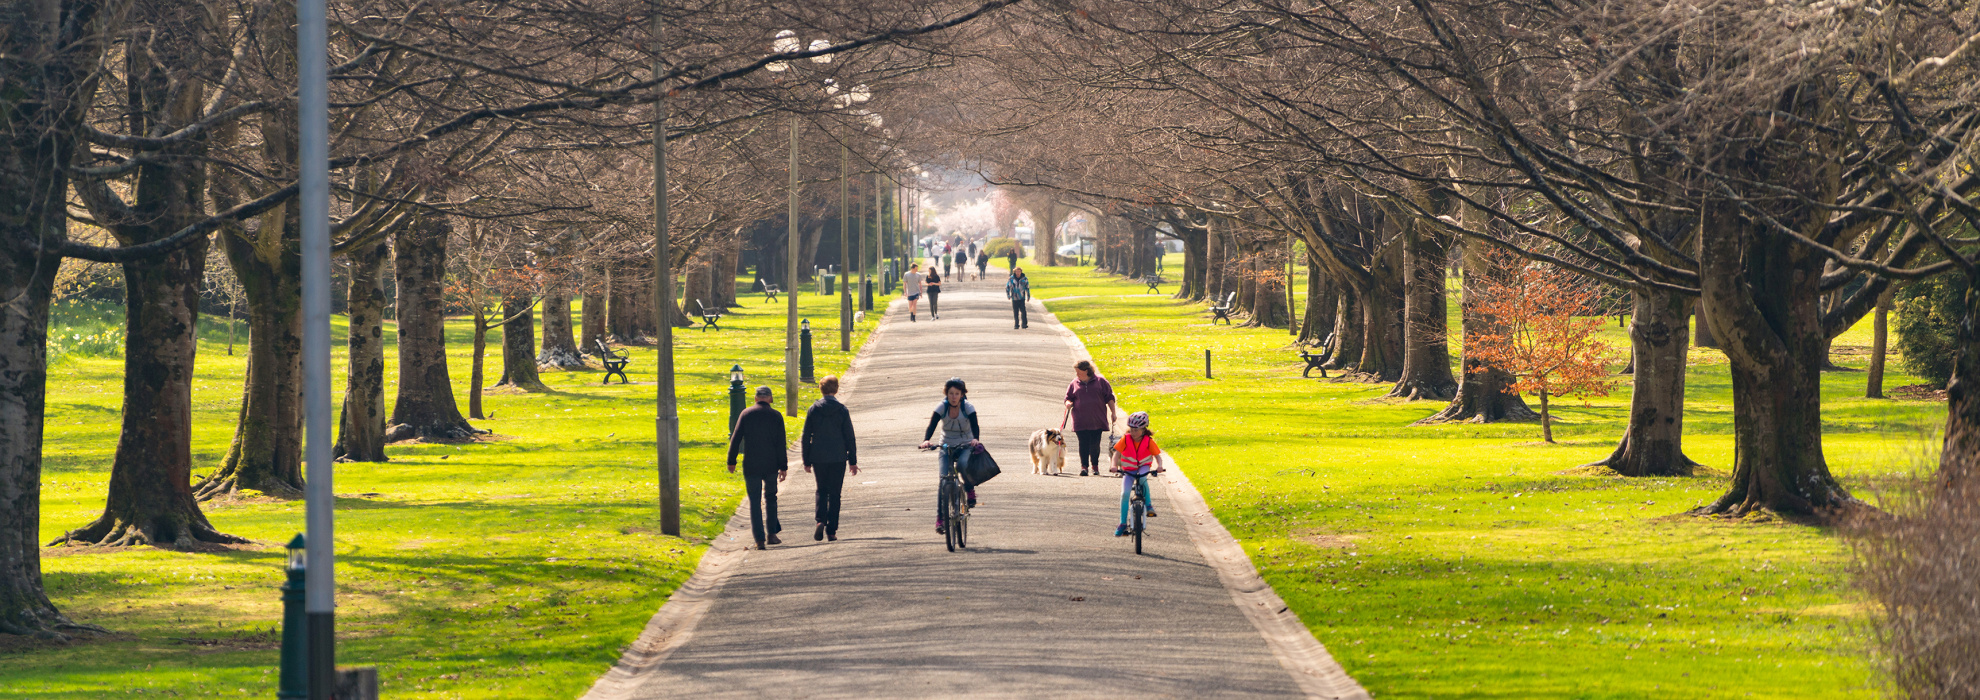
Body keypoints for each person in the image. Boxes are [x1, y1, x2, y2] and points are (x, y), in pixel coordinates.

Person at [727, 386, 788, 549]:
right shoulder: (776, 416)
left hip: (751, 463)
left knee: (754, 501)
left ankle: (759, 540)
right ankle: (772, 534)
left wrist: (731, 461)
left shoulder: (746, 414)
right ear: (770, 399)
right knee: (771, 497)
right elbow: (781, 443)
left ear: (755, 398)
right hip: (770, 463)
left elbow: (736, 438)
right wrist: (783, 466)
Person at [918, 377, 981, 535]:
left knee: (962, 465)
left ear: (962, 395)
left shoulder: (968, 408)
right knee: (943, 479)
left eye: (957, 393)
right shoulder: (942, 407)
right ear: (947, 394)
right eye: (951, 393)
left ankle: (969, 489)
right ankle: (940, 519)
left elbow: (975, 426)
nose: (953, 397)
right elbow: (932, 425)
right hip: (946, 445)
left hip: (965, 444)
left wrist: (975, 439)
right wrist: (926, 440)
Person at [801, 375, 859, 542]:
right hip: (838, 456)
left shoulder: (813, 409)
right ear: (836, 389)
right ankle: (831, 530)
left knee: (821, 489)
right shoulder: (841, 410)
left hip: (818, 456)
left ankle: (820, 520)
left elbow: (806, 436)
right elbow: (849, 436)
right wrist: (853, 461)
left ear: (821, 389)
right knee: (835, 494)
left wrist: (806, 460)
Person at [1110, 411, 1165, 537]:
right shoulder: (1126, 439)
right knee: (1124, 494)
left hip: (1143, 467)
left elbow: (1158, 457)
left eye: (1137, 430)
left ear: (1144, 429)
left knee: (1142, 479)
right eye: (1132, 430)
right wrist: (1113, 465)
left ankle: (1149, 505)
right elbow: (1116, 454)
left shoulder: (1148, 441)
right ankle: (1122, 523)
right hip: (1128, 470)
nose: (1133, 433)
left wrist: (1160, 466)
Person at [1062, 360, 1119, 476]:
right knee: (1083, 443)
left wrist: (1113, 413)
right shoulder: (1074, 383)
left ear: (1086, 370)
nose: (1077, 374)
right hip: (1080, 419)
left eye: (1078, 372)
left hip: (1097, 419)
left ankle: (1095, 466)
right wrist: (1068, 403)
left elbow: (1109, 397)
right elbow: (1068, 397)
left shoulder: (1100, 381)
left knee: (1095, 444)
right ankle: (1084, 467)